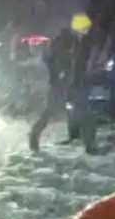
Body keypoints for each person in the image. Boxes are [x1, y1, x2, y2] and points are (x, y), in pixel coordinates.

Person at [28, 18, 87, 152]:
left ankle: (34, 136)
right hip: (65, 81)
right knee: (75, 109)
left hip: (63, 81)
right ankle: (34, 136)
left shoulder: (61, 42)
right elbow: (69, 61)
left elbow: (48, 59)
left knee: (55, 111)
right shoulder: (70, 42)